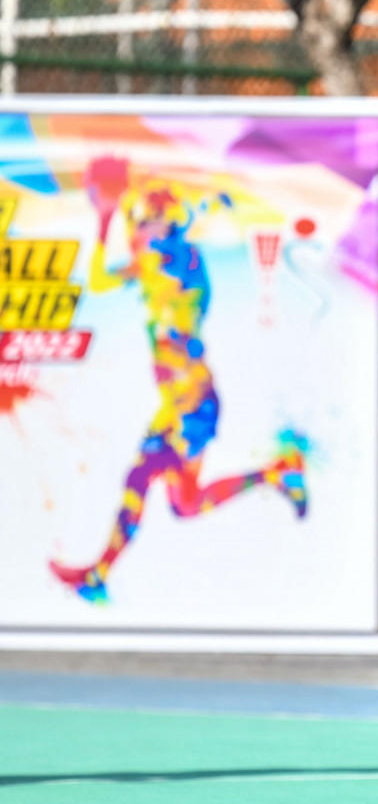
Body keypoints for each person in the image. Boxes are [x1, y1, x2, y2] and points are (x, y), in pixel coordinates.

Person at [50, 159, 307, 604]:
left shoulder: (164, 262)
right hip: (190, 401)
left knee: (141, 476)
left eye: (144, 221)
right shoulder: (168, 259)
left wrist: (112, 214)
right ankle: (277, 471)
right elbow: (112, 271)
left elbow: (105, 274)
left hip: (188, 404)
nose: (136, 228)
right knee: (183, 501)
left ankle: (98, 573)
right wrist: (121, 216)